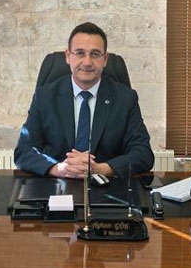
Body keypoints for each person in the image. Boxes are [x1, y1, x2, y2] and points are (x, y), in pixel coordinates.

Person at [14, 22, 154, 179]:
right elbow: (24, 151)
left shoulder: (125, 99)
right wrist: (59, 169)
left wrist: (102, 169)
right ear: (68, 56)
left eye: (95, 54)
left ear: (105, 59)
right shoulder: (45, 96)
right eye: (80, 53)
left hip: (106, 185)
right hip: (56, 184)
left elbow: (143, 154)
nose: (87, 62)